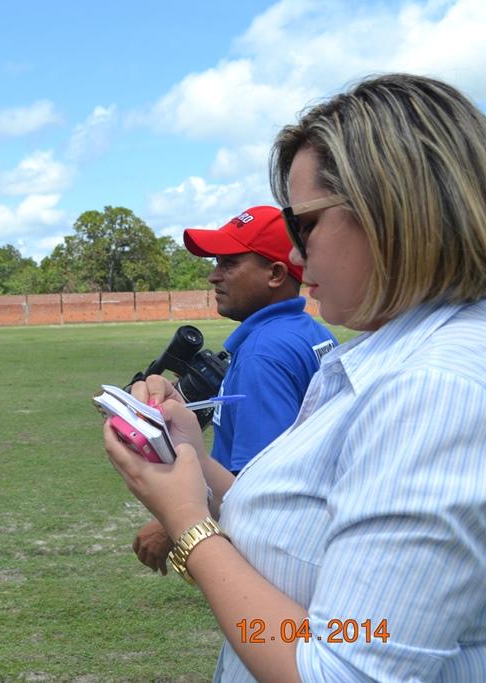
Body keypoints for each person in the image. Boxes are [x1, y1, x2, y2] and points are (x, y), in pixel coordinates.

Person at [104, 73, 486, 682]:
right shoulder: (397, 358)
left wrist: (187, 526)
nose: (298, 255)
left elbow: (345, 667)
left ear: (391, 209)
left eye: (304, 224)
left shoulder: (432, 388)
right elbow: (308, 531)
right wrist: (191, 457)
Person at [133, 207, 336, 574]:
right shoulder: (309, 330)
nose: (214, 276)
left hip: (275, 558)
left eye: (228, 263)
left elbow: (261, 488)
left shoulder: (263, 352)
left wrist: (174, 524)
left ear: (275, 273)